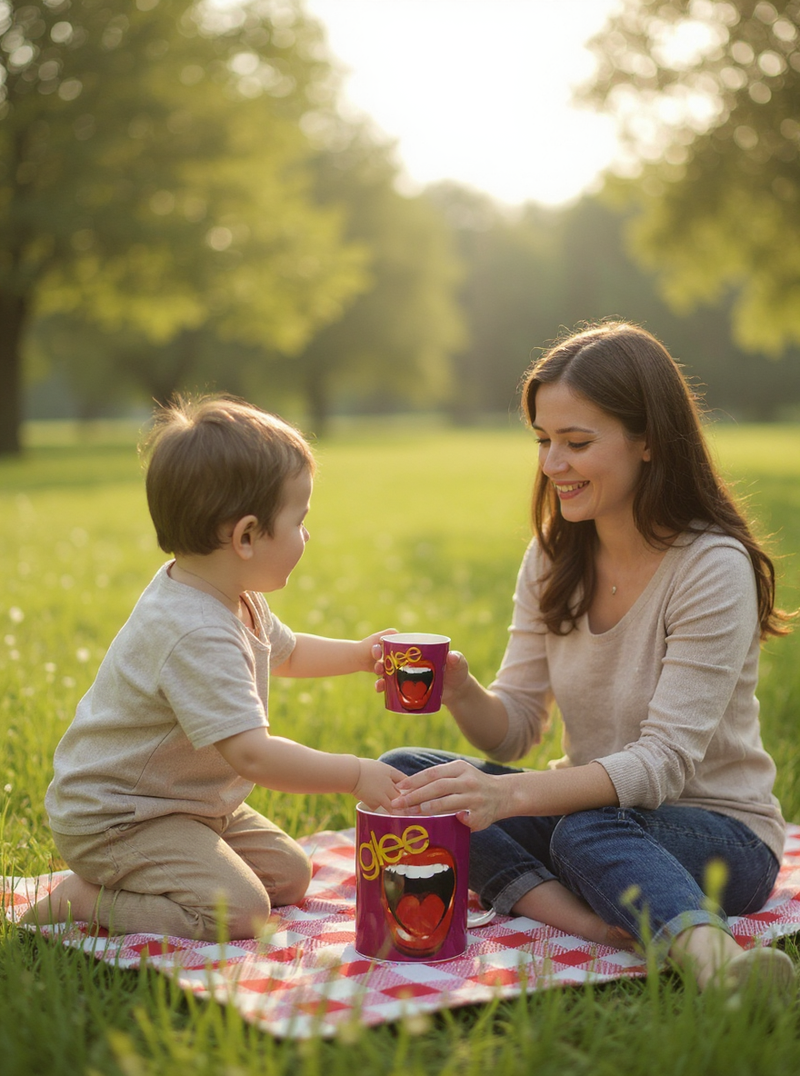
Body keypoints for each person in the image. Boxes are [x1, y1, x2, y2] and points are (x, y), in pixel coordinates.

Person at [380, 322, 795, 996]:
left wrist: (507, 795)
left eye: (577, 443)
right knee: (405, 776)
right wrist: (460, 689)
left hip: (720, 834)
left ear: (649, 440)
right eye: (544, 442)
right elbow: (514, 729)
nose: (551, 465)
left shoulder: (712, 567)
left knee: (582, 833)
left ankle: (719, 968)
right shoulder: (552, 556)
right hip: (586, 813)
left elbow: (662, 765)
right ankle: (598, 924)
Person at [24, 396, 401, 941]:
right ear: (246, 536)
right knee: (240, 914)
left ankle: (167, 870)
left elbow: (287, 652)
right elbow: (252, 753)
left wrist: (362, 654)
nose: (307, 536)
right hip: (118, 819)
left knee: (289, 878)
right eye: (300, 521)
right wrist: (355, 773)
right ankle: (82, 898)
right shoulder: (195, 630)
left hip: (188, 806)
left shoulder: (230, 595)